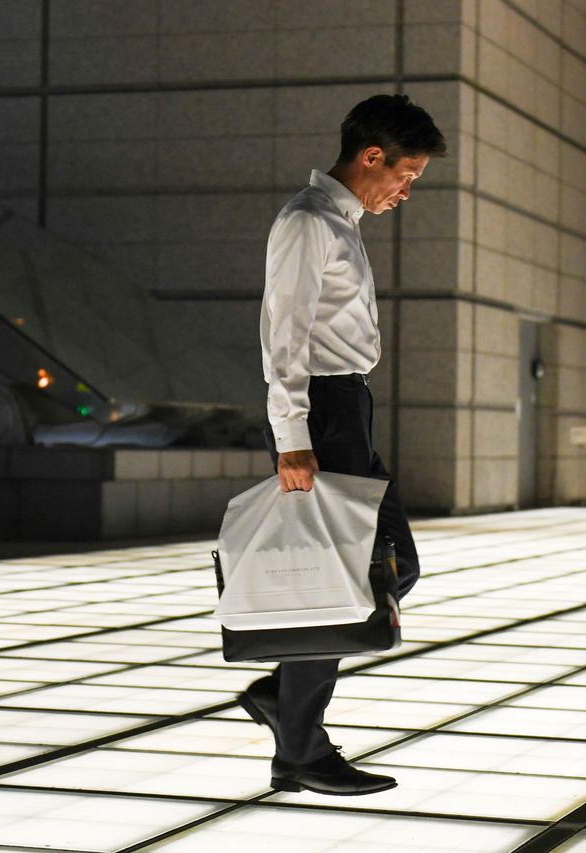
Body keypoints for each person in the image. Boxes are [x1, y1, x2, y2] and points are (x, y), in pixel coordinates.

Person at [237, 94, 447, 796]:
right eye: (406, 174)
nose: (407, 189)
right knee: (342, 587)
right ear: (370, 156)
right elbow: (284, 333)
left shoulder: (341, 221)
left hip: (345, 404)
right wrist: (292, 433)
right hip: (321, 409)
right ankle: (299, 746)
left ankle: (282, 693)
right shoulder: (307, 221)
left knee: (389, 567)